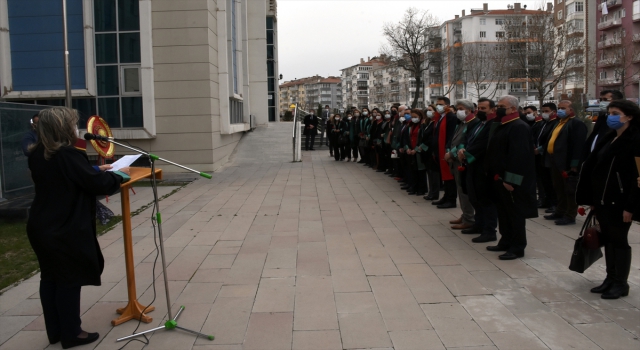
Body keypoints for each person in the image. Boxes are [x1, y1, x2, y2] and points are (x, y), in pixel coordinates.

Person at [27, 107, 130, 348]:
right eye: (73, 124)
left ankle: (56, 331)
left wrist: (95, 168)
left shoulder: (39, 153)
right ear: (62, 127)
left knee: (50, 277)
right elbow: (95, 185)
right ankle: (72, 333)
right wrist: (118, 176)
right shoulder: (67, 155)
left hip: (42, 225)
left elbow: (66, 176)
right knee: (69, 279)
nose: (77, 129)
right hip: (64, 228)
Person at [576, 99, 640, 299]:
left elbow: (636, 179)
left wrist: (631, 207)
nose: (610, 117)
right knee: (609, 241)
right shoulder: (608, 137)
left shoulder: (635, 140)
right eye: (610, 113)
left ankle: (621, 283)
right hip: (602, 200)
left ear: (629, 117)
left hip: (620, 202)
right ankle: (610, 278)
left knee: (619, 242)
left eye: (615, 113)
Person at [485, 96, 538, 260]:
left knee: (515, 214)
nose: (498, 109)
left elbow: (519, 156)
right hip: (499, 177)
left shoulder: (518, 126)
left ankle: (517, 247)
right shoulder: (503, 124)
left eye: (502, 106)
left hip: (512, 181)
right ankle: (505, 240)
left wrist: (511, 180)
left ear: (513, 109)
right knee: (504, 212)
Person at [458, 98, 498, 242]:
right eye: (479, 108)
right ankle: (479, 224)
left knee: (485, 200)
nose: (480, 111)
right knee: (474, 197)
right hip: (471, 165)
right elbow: (466, 137)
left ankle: (489, 230)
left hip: (483, 167)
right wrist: (462, 148)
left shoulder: (493, 125)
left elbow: (483, 144)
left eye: (483, 109)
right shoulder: (477, 123)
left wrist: (467, 154)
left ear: (492, 110)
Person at [542, 100, 587, 226]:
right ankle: (560, 211)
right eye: (559, 107)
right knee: (559, 188)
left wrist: (574, 164)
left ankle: (570, 215)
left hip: (567, 163)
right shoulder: (559, 122)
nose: (560, 110)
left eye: (563, 108)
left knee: (569, 190)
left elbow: (578, 146)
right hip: (555, 161)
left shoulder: (576, 124)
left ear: (571, 110)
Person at [446, 100, 479, 229]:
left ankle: (469, 218)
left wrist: (452, 154)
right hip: (455, 160)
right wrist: (448, 151)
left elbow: (464, 142)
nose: (458, 111)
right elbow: (453, 139)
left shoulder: (473, 123)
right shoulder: (461, 123)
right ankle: (465, 214)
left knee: (465, 191)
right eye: (457, 108)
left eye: (460, 108)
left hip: (463, 160)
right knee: (460, 189)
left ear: (469, 110)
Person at [581, 90, 623, 163]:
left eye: (605, 100)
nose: (602, 102)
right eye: (601, 100)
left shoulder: (619, 121)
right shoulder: (602, 117)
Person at [431, 97, 458, 209]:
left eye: (441, 104)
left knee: (450, 176)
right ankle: (446, 197)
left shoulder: (451, 117)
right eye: (437, 104)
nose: (438, 106)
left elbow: (451, 135)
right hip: (439, 150)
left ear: (447, 105)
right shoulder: (440, 118)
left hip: (446, 150)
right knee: (444, 176)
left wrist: (447, 149)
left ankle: (451, 199)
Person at [537, 103, 559, 213]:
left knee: (551, 182)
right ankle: (547, 201)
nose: (544, 113)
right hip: (541, 157)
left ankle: (554, 204)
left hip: (548, 156)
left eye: (546, 111)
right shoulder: (544, 123)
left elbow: (550, 140)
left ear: (553, 112)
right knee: (544, 181)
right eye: (543, 111)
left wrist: (540, 149)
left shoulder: (555, 123)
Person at [403, 109, 428, 195]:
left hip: (419, 151)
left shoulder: (423, 126)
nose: (413, 119)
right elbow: (405, 139)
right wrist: (407, 148)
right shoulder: (409, 126)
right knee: (413, 170)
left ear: (420, 117)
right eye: (412, 117)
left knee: (421, 171)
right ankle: (414, 187)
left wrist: (416, 149)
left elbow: (424, 140)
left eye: (415, 117)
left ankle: (422, 189)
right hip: (411, 150)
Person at [526, 105, 546, 207]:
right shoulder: (530, 124)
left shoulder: (541, 123)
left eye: (529, 112)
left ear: (534, 112)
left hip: (539, 154)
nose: (527, 115)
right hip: (533, 154)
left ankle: (543, 199)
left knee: (541, 179)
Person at [423, 105, 439, 200]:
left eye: (430, 110)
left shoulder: (435, 123)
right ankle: (431, 192)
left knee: (434, 174)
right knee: (429, 173)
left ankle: (434, 193)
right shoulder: (429, 123)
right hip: (427, 152)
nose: (428, 112)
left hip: (431, 151)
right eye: (427, 110)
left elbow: (431, 138)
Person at [391, 105, 407, 180]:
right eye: (399, 111)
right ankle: (400, 175)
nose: (400, 113)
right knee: (399, 161)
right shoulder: (399, 120)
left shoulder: (406, 121)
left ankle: (404, 177)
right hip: (397, 143)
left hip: (404, 145)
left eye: (401, 111)